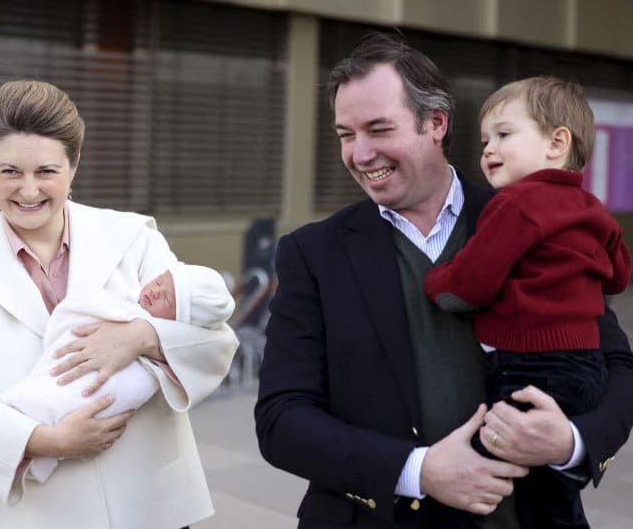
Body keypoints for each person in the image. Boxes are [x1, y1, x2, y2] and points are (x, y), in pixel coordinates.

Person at [254, 32, 633, 529]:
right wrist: (419, 470)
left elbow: (617, 364)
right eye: (346, 134)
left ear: (436, 123)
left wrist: (570, 443)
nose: (360, 154)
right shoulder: (312, 252)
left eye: (378, 129)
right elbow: (282, 420)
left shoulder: (536, 217)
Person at [0, 80, 239, 529]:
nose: (28, 191)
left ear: (74, 166)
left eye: (46, 171)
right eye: (10, 171)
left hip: (150, 503)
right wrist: (49, 440)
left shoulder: (133, 237)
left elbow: (214, 337)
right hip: (36, 512)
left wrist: (140, 337)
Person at [423, 76, 631, 527]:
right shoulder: (591, 208)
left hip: (529, 367)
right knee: (550, 493)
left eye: (504, 135)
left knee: (484, 464)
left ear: (557, 142)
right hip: (584, 368)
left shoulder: (515, 204)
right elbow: (617, 275)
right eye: (485, 141)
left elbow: (473, 280)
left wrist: (435, 284)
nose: (488, 150)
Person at [0, 262, 235, 483]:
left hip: (137, 484)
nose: (156, 290)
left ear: (179, 320)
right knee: (37, 398)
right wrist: (53, 442)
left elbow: (217, 341)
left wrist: (142, 336)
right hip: (55, 376)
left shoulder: (140, 237)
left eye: (167, 298)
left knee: (72, 397)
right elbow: (83, 308)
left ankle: (34, 418)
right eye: (159, 282)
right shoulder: (127, 299)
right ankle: (26, 425)